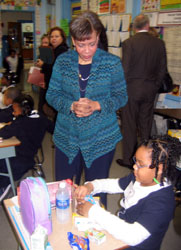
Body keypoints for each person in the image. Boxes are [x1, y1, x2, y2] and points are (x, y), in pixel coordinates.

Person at [46, 10, 128, 206]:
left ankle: (96, 232)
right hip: (67, 137)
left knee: (95, 194)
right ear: (73, 40)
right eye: (81, 44)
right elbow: (52, 95)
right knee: (64, 191)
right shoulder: (63, 62)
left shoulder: (111, 63)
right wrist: (71, 106)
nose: (86, 50)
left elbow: (121, 96)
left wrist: (97, 105)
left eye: (91, 43)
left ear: (98, 36)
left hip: (101, 138)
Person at [75, 135, 181, 250]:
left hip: (134, 245)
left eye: (140, 164)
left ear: (159, 169)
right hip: (120, 232)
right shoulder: (140, 177)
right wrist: (91, 186)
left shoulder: (162, 202)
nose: (134, 166)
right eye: (135, 161)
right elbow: (115, 184)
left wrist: (93, 211)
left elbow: (133, 236)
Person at [117, 14, 167, 169]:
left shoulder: (128, 43)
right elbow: (162, 69)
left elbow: (124, 70)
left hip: (131, 91)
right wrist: (154, 86)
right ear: (148, 25)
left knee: (129, 124)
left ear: (134, 27)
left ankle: (128, 159)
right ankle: (146, 159)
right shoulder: (159, 43)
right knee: (146, 125)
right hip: (149, 91)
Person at [0, 94, 54, 201]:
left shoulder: (20, 123)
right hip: (30, 156)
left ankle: (4, 186)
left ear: (23, 110)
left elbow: (4, 132)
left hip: (18, 160)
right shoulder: (41, 117)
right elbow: (53, 129)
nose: (13, 113)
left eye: (15, 110)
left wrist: (12, 122)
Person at [36, 27, 69, 117]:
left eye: (56, 36)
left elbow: (56, 69)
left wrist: (43, 65)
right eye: (52, 37)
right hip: (50, 84)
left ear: (62, 38)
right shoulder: (53, 50)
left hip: (58, 87)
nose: (53, 38)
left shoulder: (62, 51)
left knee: (54, 111)